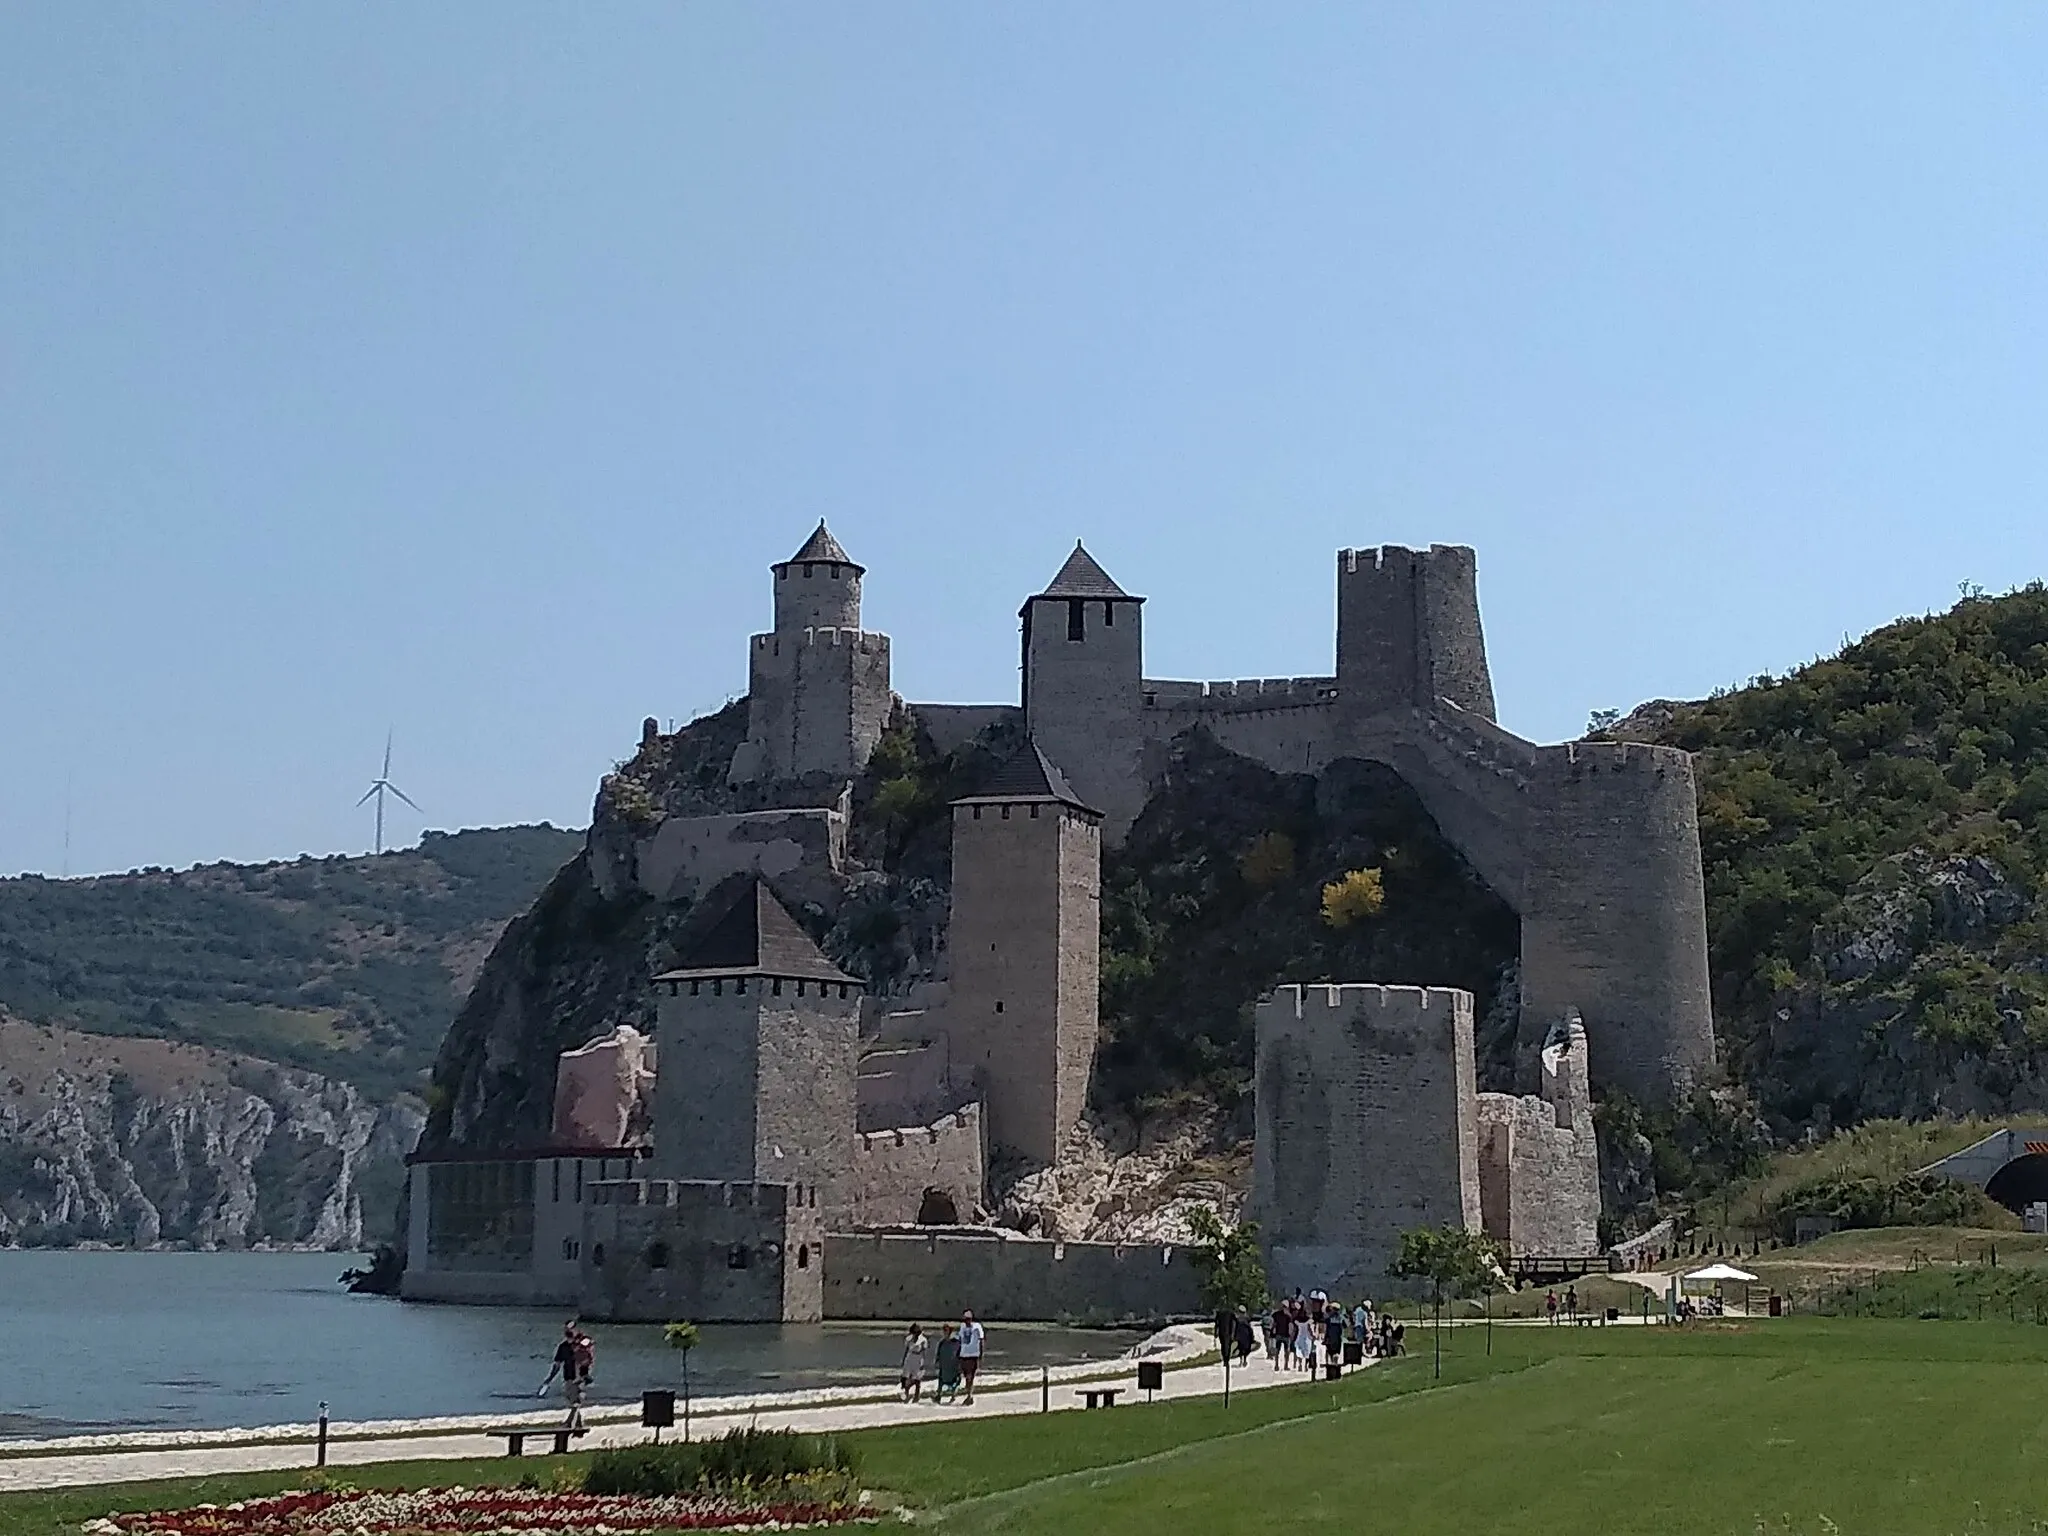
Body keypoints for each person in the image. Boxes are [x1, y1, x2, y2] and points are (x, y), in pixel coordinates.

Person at [540, 1320, 587, 1434]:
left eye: (570, 1329)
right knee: (573, 1401)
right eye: (567, 1330)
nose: (568, 1332)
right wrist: (549, 1379)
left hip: (579, 1378)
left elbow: (588, 1358)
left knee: (575, 1401)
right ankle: (579, 1425)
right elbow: (557, 1365)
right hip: (569, 1377)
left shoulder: (582, 1343)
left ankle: (570, 1424)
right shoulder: (563, 1347)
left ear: (576, 1330)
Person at [957, 1310, 984, 1404]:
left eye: (968, 1319)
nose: (966, 1321)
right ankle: (969, 1395)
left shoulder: (977, 1326)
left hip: (973, 1355)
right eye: (965, 1319)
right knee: (966, 1377)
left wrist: (981, 1354)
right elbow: (960, 1340)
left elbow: (981, 1340)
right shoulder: (962, 1327)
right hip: (964, 1355)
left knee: (970, 1377)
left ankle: (969, 1395)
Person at [899, 1323, 929, 1402]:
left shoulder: (923, 1340)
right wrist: (903, 1360)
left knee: (917, 1379)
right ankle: (906, 1394)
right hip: (910, 1357)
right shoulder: (909, 1339)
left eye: (918, 1331)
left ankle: (916, 1396)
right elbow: (906, 1350)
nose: (916, 1333)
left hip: (918, 1358)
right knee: (906, 1377)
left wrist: (923, 1363)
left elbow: (924, 1352)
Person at [933, 1324, 963, 1403]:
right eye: (944, 1330)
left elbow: (960, 1352)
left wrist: (960, 1363)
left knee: (955, 1379)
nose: (945, 1332)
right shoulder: (942, 1342)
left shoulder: (956, 1342)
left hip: (954, 1364)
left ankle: (953, 1395)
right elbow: (938, 1353)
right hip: (944, 1364)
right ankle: (938, 1395)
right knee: (941, 1379)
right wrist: (937, 1361)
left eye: (946, 1330)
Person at [1269, 1303, 1290, 1368]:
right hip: (1282, 1334)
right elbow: (1273, 1323)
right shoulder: (1287, 1315)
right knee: (1282, 1351)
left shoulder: (1276, 1314)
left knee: (1281, 1351)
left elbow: (1273, 1323)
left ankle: (1279, 1365)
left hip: (1282, 1334)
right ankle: (1282, 1365)